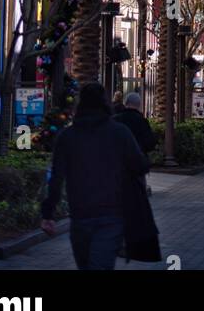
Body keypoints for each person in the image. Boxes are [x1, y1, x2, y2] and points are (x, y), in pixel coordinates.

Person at [41, 81, 154, 271]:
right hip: (112, 214)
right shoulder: (119, 133)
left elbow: (57, 177)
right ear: (105, 103)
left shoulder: (67, 137)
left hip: (80, 214)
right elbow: (140, 165)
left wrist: (48, 213)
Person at [114, 92, 157, 157]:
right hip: (137, 158)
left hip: (119, 159)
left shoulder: (116, 119)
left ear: (125, 103)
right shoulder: (143, 121)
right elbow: (150, 143)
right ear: (139, 105)